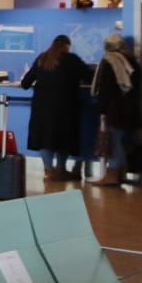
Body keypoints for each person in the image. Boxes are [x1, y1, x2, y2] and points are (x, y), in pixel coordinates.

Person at [21, 35, 91, 181]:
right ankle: (61, 169)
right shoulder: (71, 59)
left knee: (44, 139)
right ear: (67, 46)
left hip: (42, 108)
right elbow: (89, 76)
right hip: (66, 108)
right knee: (63, 139)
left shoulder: (42, 58)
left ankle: (49, 170)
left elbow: (26, 83)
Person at [91, 34, 142, 187]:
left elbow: (106, 88)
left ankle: (112, 174)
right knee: (124, 141)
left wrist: (102, 110)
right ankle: (121, 173)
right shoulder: (132, 61)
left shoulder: (109, 60)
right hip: (131, 108)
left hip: (115, 109)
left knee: (114, 142)